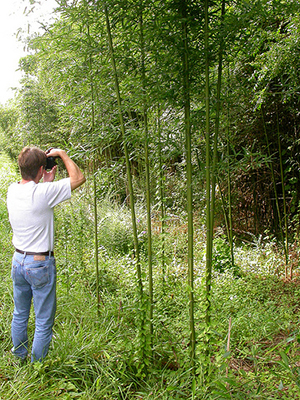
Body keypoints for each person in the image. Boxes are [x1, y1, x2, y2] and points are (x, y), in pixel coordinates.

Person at [6, 146, 86, 363]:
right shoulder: (43, 193)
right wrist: (61, 154)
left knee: (20, 314)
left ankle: (19, 357)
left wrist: (45, 181)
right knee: (43, 321)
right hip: (40, 264)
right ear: (42, 169)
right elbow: (78, 178)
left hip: (18, 261)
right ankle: (37, 367)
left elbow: (35, 200)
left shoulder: (12, 190)